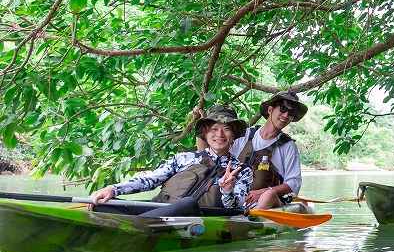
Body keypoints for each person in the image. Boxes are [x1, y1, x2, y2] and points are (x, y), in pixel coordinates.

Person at [88, 105, 253, 216]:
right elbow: (150, 179)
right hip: (161, 211)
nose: (220, 135)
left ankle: (137, 224)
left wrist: (227, 190)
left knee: (188, 204)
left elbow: (237, 209)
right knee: (100, 204)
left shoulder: (241, 171)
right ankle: (140, 223)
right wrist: (113, 189)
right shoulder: (184, 158)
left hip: (197, 219)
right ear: (205, 132)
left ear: (234, 134)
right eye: (214, 129)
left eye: (226, 129)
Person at [231, 91, 305, 210]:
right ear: (270, 110)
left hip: (270, 202)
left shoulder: (288, 146)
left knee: (269, 195)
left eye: (291, 113)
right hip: (236, 198)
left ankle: (252, 222)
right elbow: (214, 151)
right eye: (282, 109)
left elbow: (294, 182)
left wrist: (263, 192)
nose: (286, 115)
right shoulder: (245, 135)